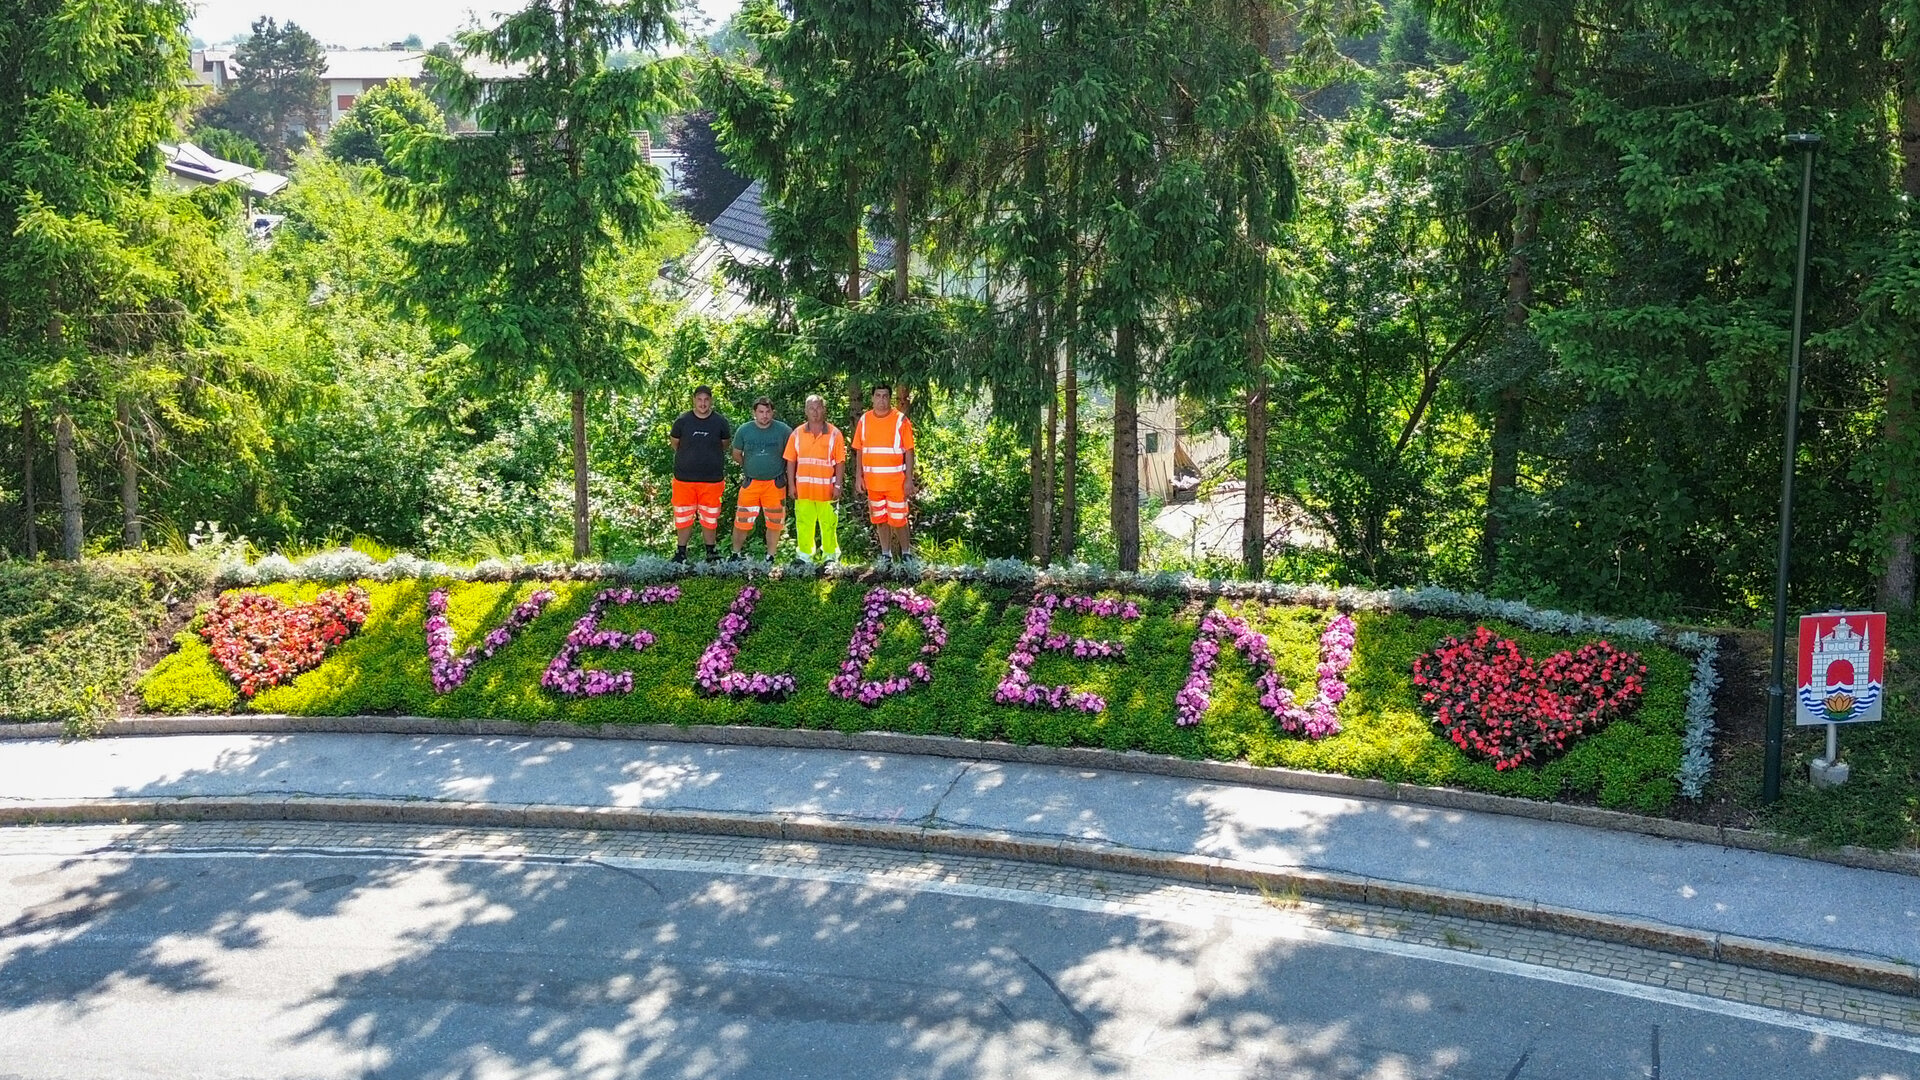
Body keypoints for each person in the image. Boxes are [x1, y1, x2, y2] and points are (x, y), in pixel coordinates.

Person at [851, 384, 916, 565]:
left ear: (890, 398)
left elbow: (909, 451)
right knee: (880, 519)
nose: (881, 400)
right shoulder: (864, 420)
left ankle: (906, 554)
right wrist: (859, 476)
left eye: (885, 396)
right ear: (872, 398)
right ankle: (885, 554)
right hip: (873, 483)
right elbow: (860, 451)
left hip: (896, 482)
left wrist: (909, 479)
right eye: (878, 396)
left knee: (899, 519)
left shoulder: (900, 420)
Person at [668, 386, 731, 563]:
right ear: (694, 400)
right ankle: (681, 552)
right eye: (699, 399)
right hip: (684, 480)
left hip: (712, 481)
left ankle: (711, 551)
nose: (703, 403)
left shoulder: (720, 422)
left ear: (711, 401)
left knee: (710, 517)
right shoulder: (682, 421)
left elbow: (724, 444)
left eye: (706, 400)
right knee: (683, 516)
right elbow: (675, 443)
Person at [784, 394, 846, 564]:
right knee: (804, 523)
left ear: (824, 409)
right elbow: (790, 460)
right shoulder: (797, 434)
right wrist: (791, 485)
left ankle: (830, 557)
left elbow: (840, 462)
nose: (815, 412)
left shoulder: (834, 434)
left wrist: (838, 485)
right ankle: (804, 556)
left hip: (827, 490)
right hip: (803, 490)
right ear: (805, 411)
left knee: (829, 524)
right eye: (811, 408)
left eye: (818, 407)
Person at [729, 397, 793, 561]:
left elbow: (793, 454)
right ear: (754, 413)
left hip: (775, 483)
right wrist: (750, 466)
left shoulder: (784, 430)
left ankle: (770, 556)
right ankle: (736, 554)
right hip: (751, 483)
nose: (764, 415)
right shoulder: (744, 430)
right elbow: (736, 454)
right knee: (742, 520)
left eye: (768, 412)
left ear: (773, 412)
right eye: (761, 412)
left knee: (775, 522)